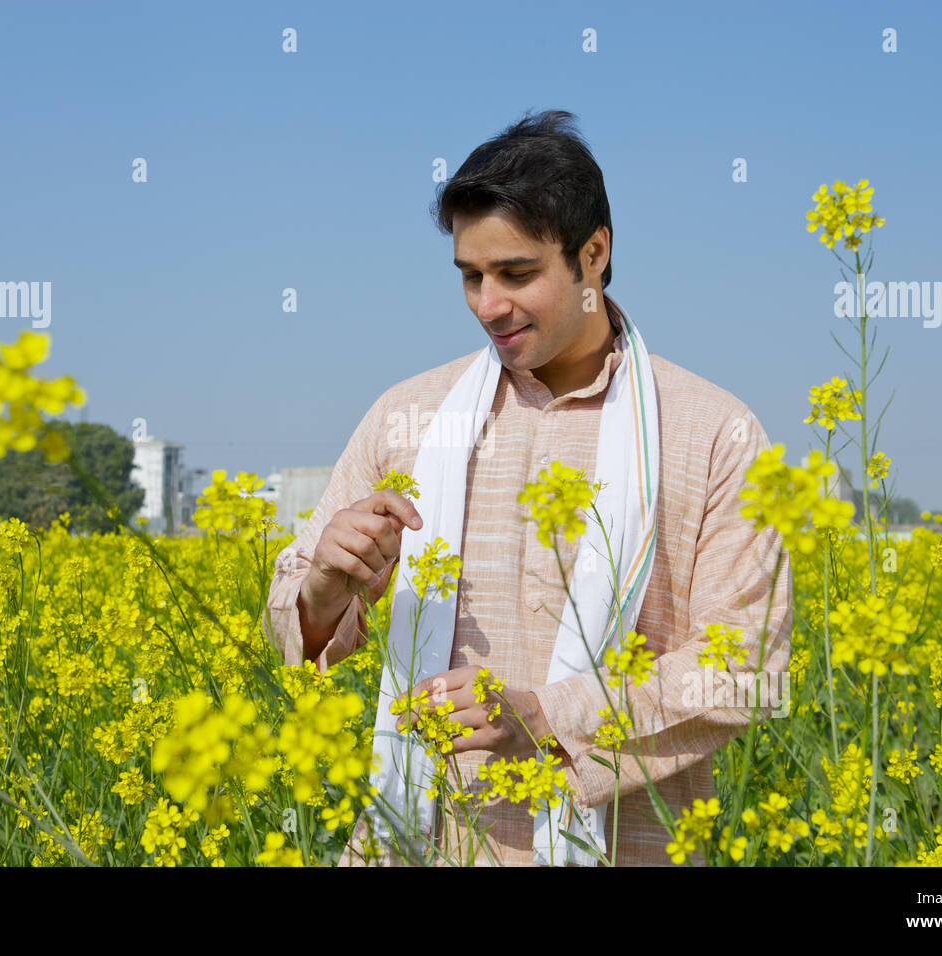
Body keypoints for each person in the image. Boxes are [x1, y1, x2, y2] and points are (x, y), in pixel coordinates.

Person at [265, 109, 792, 866]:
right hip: (417, 844)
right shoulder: (409, 419)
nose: (488, 305)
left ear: (594, 254)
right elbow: (293, 628)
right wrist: (322, 591)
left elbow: (744, 671)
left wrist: (548, 718)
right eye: (470, 277)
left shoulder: (715, 434)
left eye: (516, 274)